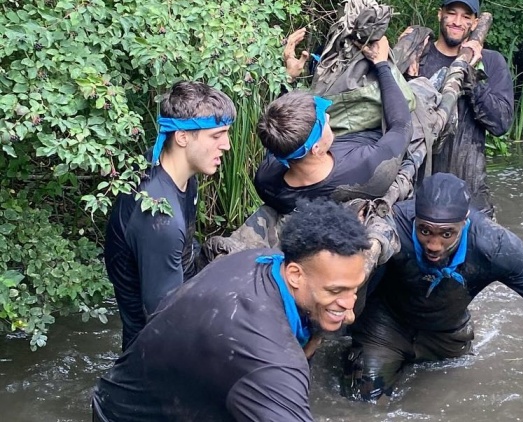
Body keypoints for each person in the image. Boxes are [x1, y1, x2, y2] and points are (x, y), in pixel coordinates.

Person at [92, 199, 371, 422]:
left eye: (353, 289)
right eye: (335, 291)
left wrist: (321, 325)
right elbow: (271, 365)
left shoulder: (264, 260)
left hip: (131, 391)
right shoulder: (267, 358)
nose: (350, 308)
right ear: (296, 275)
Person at [343, 173, 523, 401]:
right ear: (415, 220)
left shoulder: (493, 246)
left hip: (447, 335)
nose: (434, 245)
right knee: (363, 399)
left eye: (447, 234)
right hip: (386, 327)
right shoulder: (393, 226)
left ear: (465, 222)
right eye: (425, 231)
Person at [103, 80, 235, 350]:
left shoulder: (181, 174)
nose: (227, 146)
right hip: (150, 352)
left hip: (181, 290)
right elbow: (163, 320)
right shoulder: (159, 217)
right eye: (216, 135)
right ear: (183, 137)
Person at [253, 35, 412, 215]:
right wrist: (381, 63)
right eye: (323, 120)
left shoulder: (266, 181)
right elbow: (401, 125)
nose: (328, 117)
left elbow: (276, 128)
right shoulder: (365, 167)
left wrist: (287, 79)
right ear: (316, 148)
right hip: (376, 131)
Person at [408, 0, 515, 217]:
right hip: (416, 188)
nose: (457, 22)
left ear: (475, 23)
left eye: (466, 16)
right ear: (440, 14)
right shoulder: (416, 56)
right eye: (452, 13)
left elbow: (502, 123)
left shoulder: (491, 61)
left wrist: (473, 82)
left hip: (471, 193)